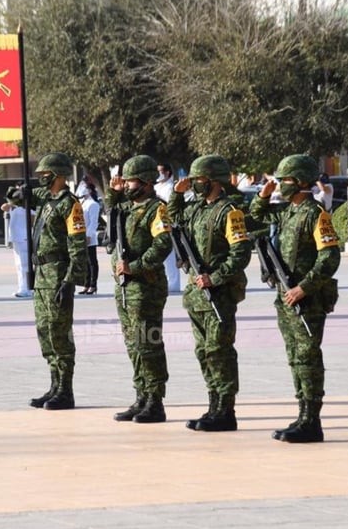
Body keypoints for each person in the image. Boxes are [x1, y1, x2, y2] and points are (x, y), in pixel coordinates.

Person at [249, 154, 340, 443]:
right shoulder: (288, 211)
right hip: (286, 298)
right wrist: (263, 196)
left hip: (306, 299)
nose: (281, 185)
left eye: (285, 180)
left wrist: (304, 287)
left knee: (308, 357)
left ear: (301, 182)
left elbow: (330, 257)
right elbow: (257, 215)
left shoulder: (316, 214)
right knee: (295, 357)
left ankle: (312, 420)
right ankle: (302, 414)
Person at [168, 155, 252, 432]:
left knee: (220, 351)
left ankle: (226, 411)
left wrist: (214, 278)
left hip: (220, 293)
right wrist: (176, 196)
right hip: (197, 295)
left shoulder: (230, 212)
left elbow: (240, 254)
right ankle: (213, 405)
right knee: (204, 351)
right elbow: (174, 218)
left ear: (215, 181)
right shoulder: (196, 209)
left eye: (199, 180)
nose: (194, 185)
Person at [13, 152, 87, 410]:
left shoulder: (70, 204)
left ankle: (65, 390)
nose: (42, 179)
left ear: (58, 176)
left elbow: (78, 246)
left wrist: (71, 280)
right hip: (42, 274)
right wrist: (20, 190)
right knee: (45, 332)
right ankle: (54, 385)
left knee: (59, 333)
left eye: (46, 175)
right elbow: (16, 198)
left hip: (58, 274)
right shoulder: (47, 199)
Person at [108, 155, 173, 424]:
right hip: (125, 287)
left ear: (146, 182)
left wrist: (135, 266)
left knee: (148, 342)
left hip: (146, 286)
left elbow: (163, 245)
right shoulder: (127, 208)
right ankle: (141, 396)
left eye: (131, 181)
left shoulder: (157, 209)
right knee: (133, 344)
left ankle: (155, 401)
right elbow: (112, 218)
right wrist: (113, 194)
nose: (126, 186)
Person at [155, 163, 182, 293]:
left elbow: (171, 205)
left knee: (169, 256)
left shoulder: (171, 187)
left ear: (167, 172)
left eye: (160, 171)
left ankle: (174, 283)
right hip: (156, 224)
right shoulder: (156, 187)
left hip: (168, 224)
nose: (158, 174)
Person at [1, 196, 31, 298]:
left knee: (25, 265)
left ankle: (28, 289)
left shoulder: (29, 207)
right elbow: (3, 207)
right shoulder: (13, 207)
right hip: (16, 239)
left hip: (24, 238)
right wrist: (13, 204)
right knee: (19, 265)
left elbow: (34, 219)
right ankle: (22, 287)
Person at [78, 183, 101, 295]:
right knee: (85, 262)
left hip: (89, 237)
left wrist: (89, 235)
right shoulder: (82, 203)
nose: (82, 189)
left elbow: (94, 222)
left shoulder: (93, 204)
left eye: (85, 187)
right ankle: (86, 284)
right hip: (81, 236)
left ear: (90, 190)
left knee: (92, 262)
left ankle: (93, 285)